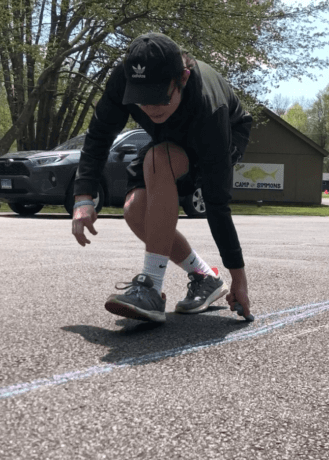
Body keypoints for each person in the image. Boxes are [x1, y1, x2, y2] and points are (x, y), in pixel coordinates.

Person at [71, 33, 253, 322]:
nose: (151, 109)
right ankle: (204, 276)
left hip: (222, 132)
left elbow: (217, 203)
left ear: (181, 78)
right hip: (170, 136)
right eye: (142, 101)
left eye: (159, 98)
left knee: (159, 160)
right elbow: (99, 136)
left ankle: (151, 288)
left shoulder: (210, 108)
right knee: (135, 210)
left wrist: (239, 280)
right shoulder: (123, 79)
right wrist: (83, 197)